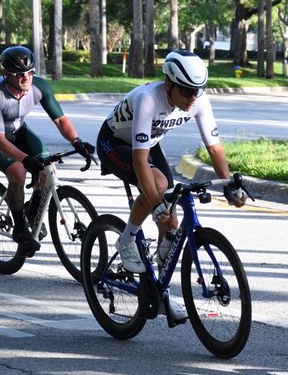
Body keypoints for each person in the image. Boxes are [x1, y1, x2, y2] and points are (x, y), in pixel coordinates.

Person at [96, 49, 247, 324]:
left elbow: (214, 148)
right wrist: (156, 204)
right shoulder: (148, 99)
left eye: (197, 91)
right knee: (159, 187)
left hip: (149, 144)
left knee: (171, 226)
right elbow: (139, 161)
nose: (192, 98)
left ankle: (160, 293)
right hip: (115, 143)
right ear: (169, 84)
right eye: (187, 91)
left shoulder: (198, 100)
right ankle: (127, 239)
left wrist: (228, 184)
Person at [0, 46, 95, 257]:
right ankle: (20, 228)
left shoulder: (39, 87)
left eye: (30, 72)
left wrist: (76, 141)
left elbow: (61, 120)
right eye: (19, 74)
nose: (26, 77)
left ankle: (33, 210)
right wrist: (25, 160)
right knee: (18, 171)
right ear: (6, 74)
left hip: (18, 130)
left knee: (48, 165)